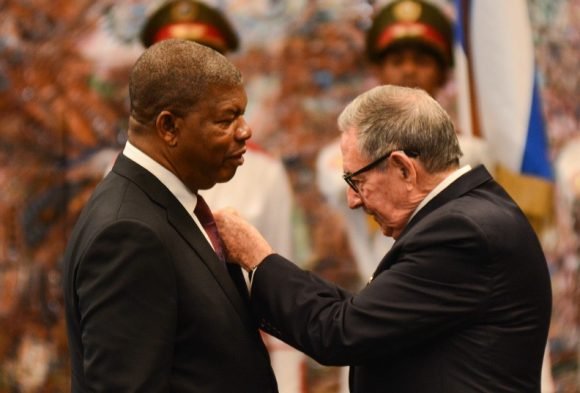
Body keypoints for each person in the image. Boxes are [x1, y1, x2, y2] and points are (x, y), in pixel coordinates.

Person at [216, 85, 552, 392]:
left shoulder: (461, 233)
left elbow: (341, 333)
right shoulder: (470, 214)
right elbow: (363, 313)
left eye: (357, 181)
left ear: (404, 169)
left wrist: (258, 258)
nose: (353, 200)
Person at [62, 38, 278, 392]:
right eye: (227, 118)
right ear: (169, 127)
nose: (245, 131)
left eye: (242, 113)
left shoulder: (163, 203)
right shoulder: (128, 234)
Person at [140, 1, 305, 391]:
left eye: (202, 63)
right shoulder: (128, 178)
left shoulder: (263, 172)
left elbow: (281, 290)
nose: (189, 80)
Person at [317, 0, 493, 284]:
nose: (408, 71)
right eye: (397, 61)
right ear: (378, 72)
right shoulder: (335, 155)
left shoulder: (471, 150)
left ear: (444, 74)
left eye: (422, 61)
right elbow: (340, 184)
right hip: (376, 296)